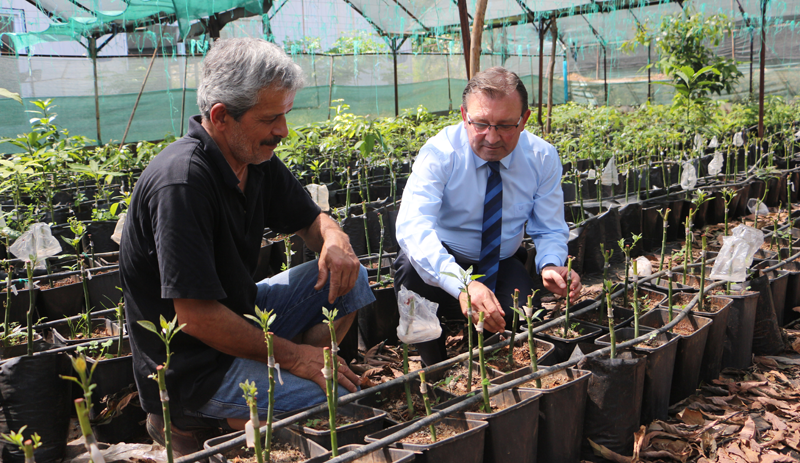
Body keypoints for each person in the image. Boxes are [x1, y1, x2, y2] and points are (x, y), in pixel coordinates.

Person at [119, 37, 375, 457]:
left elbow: (311, 220)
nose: (283, 131)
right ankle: (198, 423)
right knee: (337, 408)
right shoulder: (182, 183)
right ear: (221, 116)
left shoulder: (254, 160)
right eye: (271, 118)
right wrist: (294, 358)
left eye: (285, 115)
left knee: (353, 277)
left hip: (242, 315)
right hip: (194, 367)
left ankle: (301, 372)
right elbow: (197, 318)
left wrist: (334, 239)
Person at [394, 66, 582, 366]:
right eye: (480, 123)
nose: (492, 137)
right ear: (463, 115)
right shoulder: (441, 153)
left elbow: (548, 227)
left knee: (523, 322)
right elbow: (413, 227)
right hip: (446, 261)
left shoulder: (541, 157)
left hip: (501, 261)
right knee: (410, 270)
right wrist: (462, 285)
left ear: (524, 120)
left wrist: (550, 264)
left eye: (506, 125)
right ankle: (435, 369)